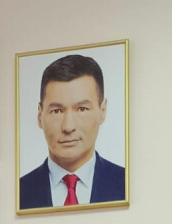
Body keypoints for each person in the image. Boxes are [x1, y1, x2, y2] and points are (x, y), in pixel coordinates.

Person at [19, 54, 126, 210]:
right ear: (40, 115)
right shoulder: (19, 192)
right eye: (57, 111)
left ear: (102, 111)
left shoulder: (127, 183)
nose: (68, 127)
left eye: (82, 109)